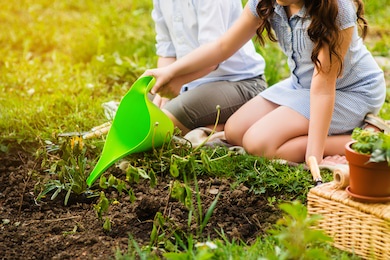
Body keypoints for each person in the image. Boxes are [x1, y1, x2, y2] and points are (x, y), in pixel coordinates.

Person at [144, 0, 386, 166]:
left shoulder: (337, 9)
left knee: (259, 144)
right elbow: (222, 46)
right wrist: (173, 72)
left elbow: (323, 86)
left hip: (350, 91)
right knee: (235, 131)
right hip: (300, 85)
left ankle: (366, 136)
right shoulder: (267, 2)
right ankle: (322, 132)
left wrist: (315, 155)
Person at [150, 0, 267, 135]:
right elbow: (166, 49)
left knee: (160, 123)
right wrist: (164, 88)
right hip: (189, 82)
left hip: (238, 82)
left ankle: (229, 126)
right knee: (139, 107)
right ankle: (214, 125)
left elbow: (213, 57)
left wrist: (176, 78)